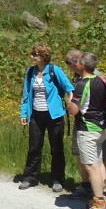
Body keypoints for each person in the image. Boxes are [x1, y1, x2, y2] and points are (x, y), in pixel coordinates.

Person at [18, 43, 74, 191]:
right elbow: (26, 95)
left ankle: (57, 178)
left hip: (54, 116)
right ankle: (30, 177)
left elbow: (70, 88)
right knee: (34, 147)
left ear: (43, 57)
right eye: (33, 54)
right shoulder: (31, 72)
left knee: (56, 148)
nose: (32, 57)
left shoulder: (55, 71)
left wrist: (72, 102)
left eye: (35, 55)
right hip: (36, 115)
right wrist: (24, 113)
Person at [68, 51, 106, 209]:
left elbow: (74, 111)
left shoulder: (82, 84)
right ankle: (104, 198)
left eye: (78, 61)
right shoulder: (100, 80)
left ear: (83, 65)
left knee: (91, 166)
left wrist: (70, 99)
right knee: (100, 163)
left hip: (87, 129)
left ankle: (98, 203)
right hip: (100, 128)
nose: (76, 63)